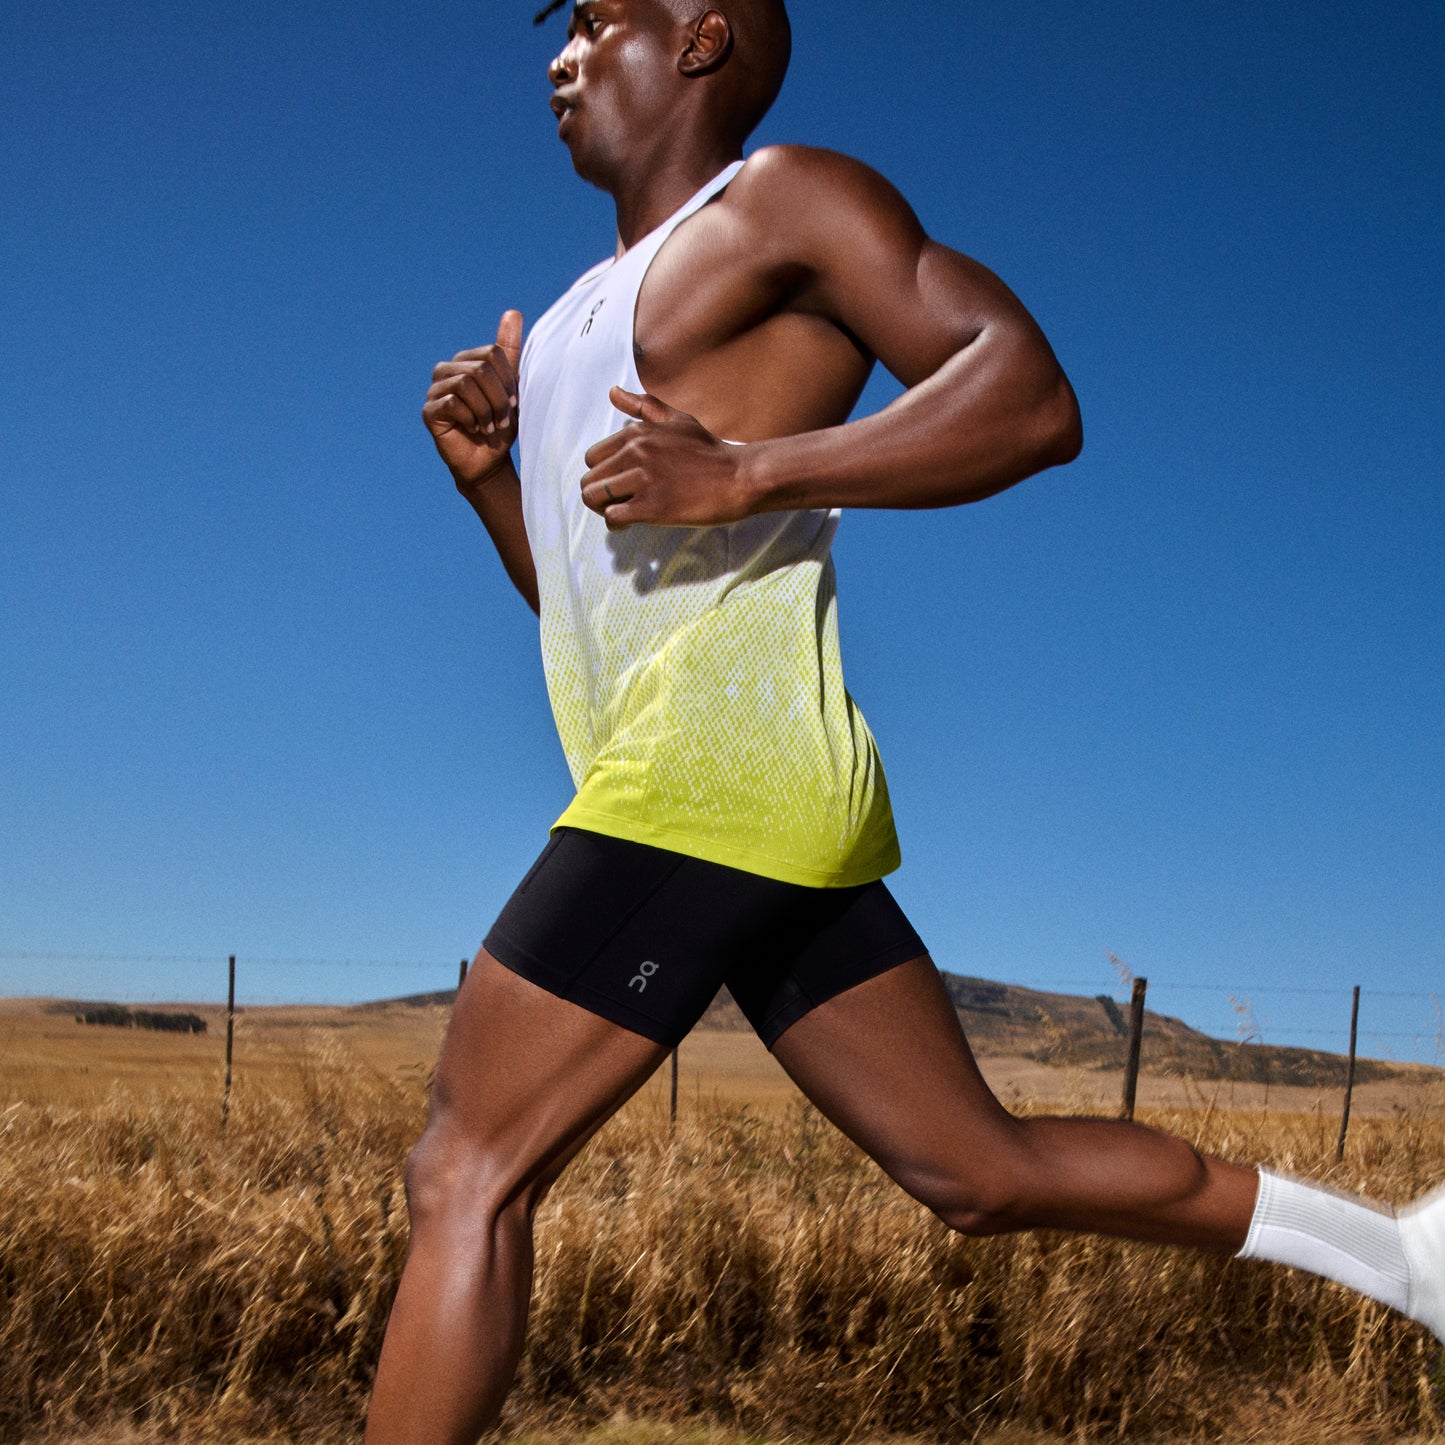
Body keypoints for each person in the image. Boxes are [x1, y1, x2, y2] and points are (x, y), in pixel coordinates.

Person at [365, 3, 1444, 1440]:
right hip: (730, 789)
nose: (560, 57)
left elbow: (1026, 394)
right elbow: (587, 618)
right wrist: (489, 480)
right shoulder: (570, 317)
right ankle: (1405, 1253)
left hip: (710, 782)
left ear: (699, 42)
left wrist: (750, 468)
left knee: (464, 1171)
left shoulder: (781, 199)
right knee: (976, 1170)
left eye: (601, 20)